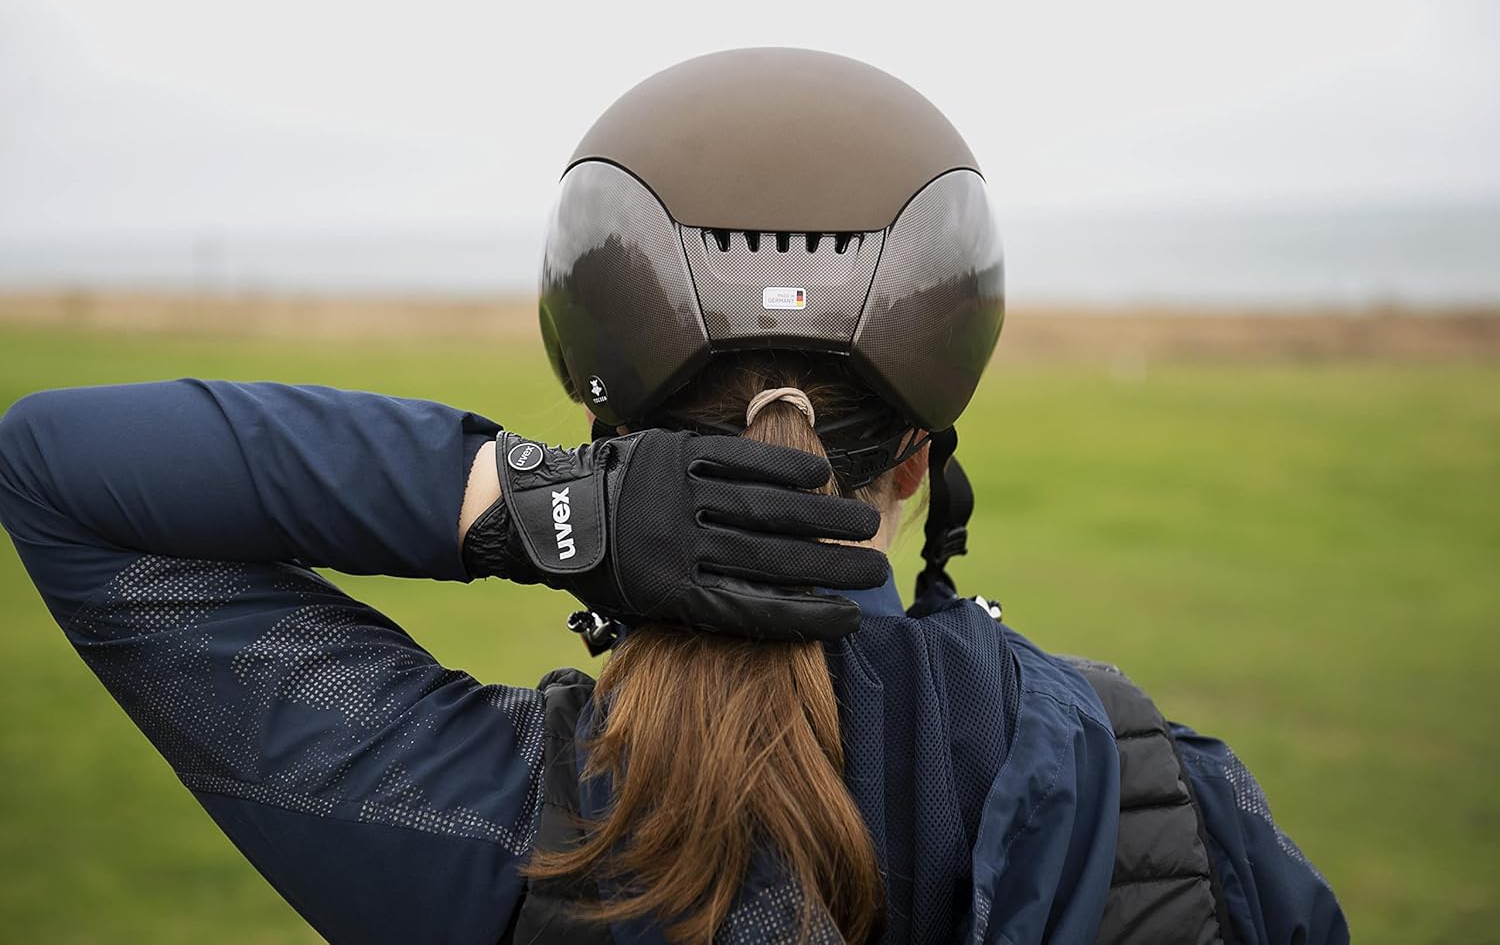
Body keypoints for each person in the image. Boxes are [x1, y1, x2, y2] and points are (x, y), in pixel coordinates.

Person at [0, 49, 1346, 944]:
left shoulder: (492, 824)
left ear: (606, 430)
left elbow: (60, 471)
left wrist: (555, 510)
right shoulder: (1162, 800)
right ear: (919, 463)